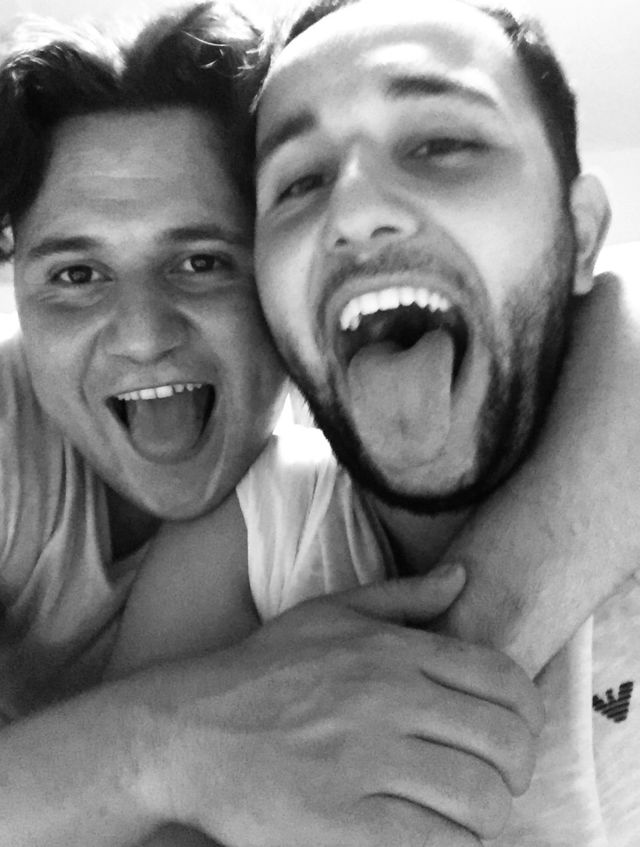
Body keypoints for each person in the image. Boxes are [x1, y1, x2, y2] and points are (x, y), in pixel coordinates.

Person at [0, 6, 545, 847]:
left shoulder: (343, 445)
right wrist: (169, 742)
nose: (142, 334)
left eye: (202, 262)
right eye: (76, 274)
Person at [110, 0, 640, 844]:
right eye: (298, 183)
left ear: (581, 234)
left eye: (442, 144)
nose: (354, 211)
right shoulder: (251, 535)